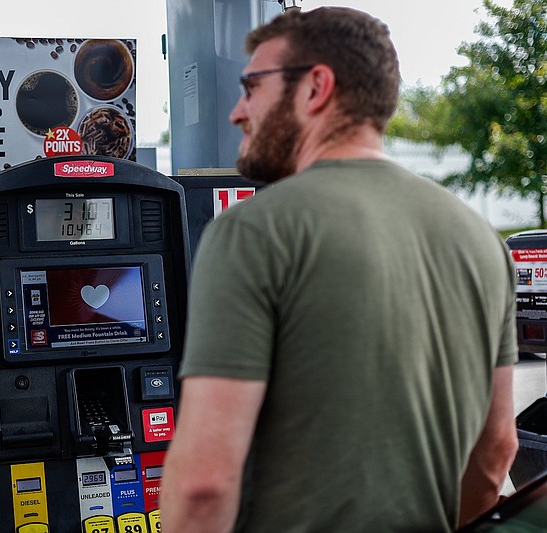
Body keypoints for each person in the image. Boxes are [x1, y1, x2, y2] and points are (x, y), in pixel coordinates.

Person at [159, 7, 519, 532]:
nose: (238, 111)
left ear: (314, 88)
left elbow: (203, 488)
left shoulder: (253, 233)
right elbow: (494, 456)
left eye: (251, 86)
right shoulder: (480, 240)